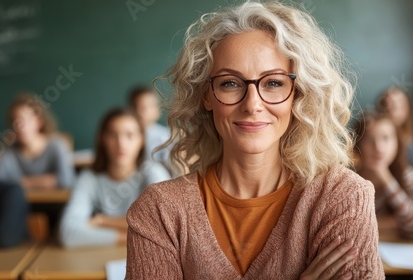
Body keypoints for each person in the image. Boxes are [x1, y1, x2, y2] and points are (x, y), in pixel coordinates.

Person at [125, 1, 383, 279]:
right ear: (207, 95)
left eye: (273, 83)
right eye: (230, 83)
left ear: (298, 94)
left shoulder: (341, 197)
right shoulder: (159, 211)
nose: (252, 105)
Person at [59, 108, 171, 248]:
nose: (121, 143)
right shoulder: (88, 178)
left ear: (142, 140)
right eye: (112, 135)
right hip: (100, 259)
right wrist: (132, 236)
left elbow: (166, 227)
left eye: (129, 135)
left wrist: (102, 221)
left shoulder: (153, 173)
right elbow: (69, 234)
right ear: (102, 139)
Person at [0, 93, 75, 189]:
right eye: (15, 122)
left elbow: (67, 181)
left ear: (39, 121)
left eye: (25, 120)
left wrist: (22, 182)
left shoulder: (57, 145)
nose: (20, 127)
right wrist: (45, 181)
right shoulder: (8, 151)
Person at [354, 111, 413, 239]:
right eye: (369, 139)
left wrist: (385, 177)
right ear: (358, 144)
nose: (378, 147)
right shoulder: (350, 179)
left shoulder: (407, 177)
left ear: (397, 142)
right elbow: (350, 225)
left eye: (385, 138)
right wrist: (393, 223)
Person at [129, 85, 172, 168]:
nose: (139, 112)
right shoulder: (121, 135)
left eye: (144, 107)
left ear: (157, 110)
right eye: (135, 106)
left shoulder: (167, 137)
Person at [377, 86, 413, 164]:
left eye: (395, 105)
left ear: (406, 110)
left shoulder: (409, 147)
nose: (389, 110)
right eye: (385, 104)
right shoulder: (368, 143)